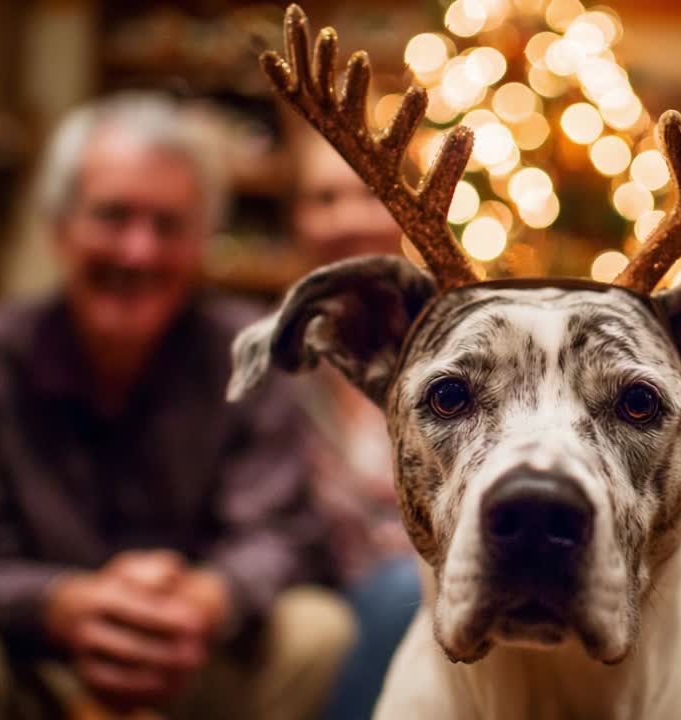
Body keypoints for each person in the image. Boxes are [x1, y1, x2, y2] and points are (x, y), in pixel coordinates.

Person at [0, 93, 354, 720]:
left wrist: (206, 599)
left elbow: (282, 535)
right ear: (58, 227)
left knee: (317, 630)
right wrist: (67, 605)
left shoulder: (249, 352)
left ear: (200, 244)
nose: (138, 252)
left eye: (168, 226)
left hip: (193, 660)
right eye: (113, 217)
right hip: (37, 659)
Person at [290, 130, 424, 720]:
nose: (346, 218)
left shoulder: (445, 354)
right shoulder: (272, 355)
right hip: (312, 585)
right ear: (298, 217)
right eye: (324, 198)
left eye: (368, 196)